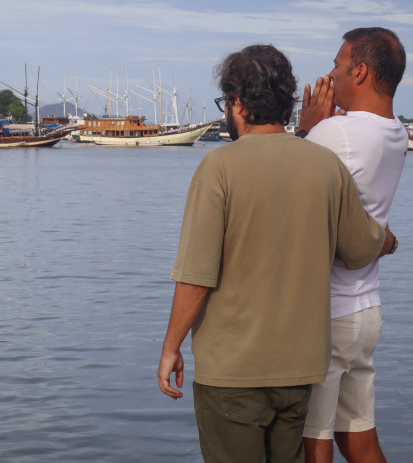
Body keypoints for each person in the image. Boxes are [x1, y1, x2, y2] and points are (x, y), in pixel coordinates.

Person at [157, 44, 396, 462]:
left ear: (238, 102)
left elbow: (196, 275)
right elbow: (361, 248)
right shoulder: (326, 165)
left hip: (232, 372)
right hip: (299, 371)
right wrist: (391, 241)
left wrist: (170, 347)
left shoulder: (219, 168)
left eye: (226, 101)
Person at [296, 27, 408, 463]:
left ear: (359, 71)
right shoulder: (394, 132)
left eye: (337, 66)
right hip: (365, 310)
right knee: (358, 437)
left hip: (328, 314)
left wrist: (307, 130)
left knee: (315, 441)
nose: (330, 76)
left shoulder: (335, 134)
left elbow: (287, 187)